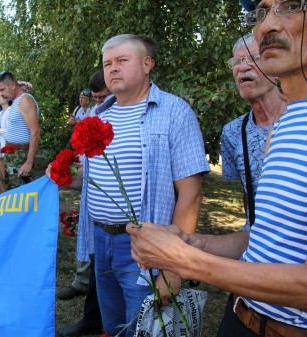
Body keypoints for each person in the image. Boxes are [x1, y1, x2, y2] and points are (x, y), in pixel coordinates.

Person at [127, 2, 307, 336]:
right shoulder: (285, 124)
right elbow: (268, 240)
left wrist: (184, 261)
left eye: (291, 6)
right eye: (261, 11)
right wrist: (192, 241)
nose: (267, 24)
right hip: (241, 318)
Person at [49, 34, 209, 337]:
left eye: (122, 60)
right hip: (101, 238)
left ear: (148, 64)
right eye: (107, 63)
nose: (112, 69)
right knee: (114, 326)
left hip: (145, 245)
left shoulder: (174, 112)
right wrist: (69, 180)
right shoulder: (98, 115)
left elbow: (191, 193)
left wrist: (174, 265)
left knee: (145, 326)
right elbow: (100, 182)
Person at [57, 68, 111, 337]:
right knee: (98, 268)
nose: (99, 102)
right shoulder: (94, 114)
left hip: (126, 215)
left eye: (103, 97)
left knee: (118, 279)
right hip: (97, 207)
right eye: (97, 98)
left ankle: (109, 324)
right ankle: (92, 319)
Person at [221, 33, 286, 231]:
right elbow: (246, 196)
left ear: (276, 69)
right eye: (237, 61)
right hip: (257, 245)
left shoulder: (300, 118)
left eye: (254, 58)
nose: (243, 67)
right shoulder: (232, 132)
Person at [0, 71, 39, 190]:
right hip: (13, 155)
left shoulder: (25, 100)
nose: (1, 94)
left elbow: (35, 132)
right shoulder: (17, 101)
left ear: (12, 85)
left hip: (21, 155)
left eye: (2, 90)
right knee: (13, 193)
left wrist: (29, 162)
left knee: (22, 196)